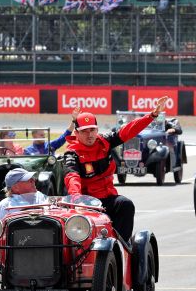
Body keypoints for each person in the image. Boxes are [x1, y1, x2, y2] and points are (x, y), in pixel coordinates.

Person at [64, 96, 170, 241]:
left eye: (92, 130)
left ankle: (121, 245)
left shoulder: (104, 141)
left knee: (126, 205)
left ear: (97, 130)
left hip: (108, 198)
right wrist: (77, 200)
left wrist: (152, 115)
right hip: (86, 203)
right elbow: (71, 177)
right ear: (76, 133)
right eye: (84, 131)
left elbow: (128, 130)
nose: (90, 135)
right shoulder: (72, 153)